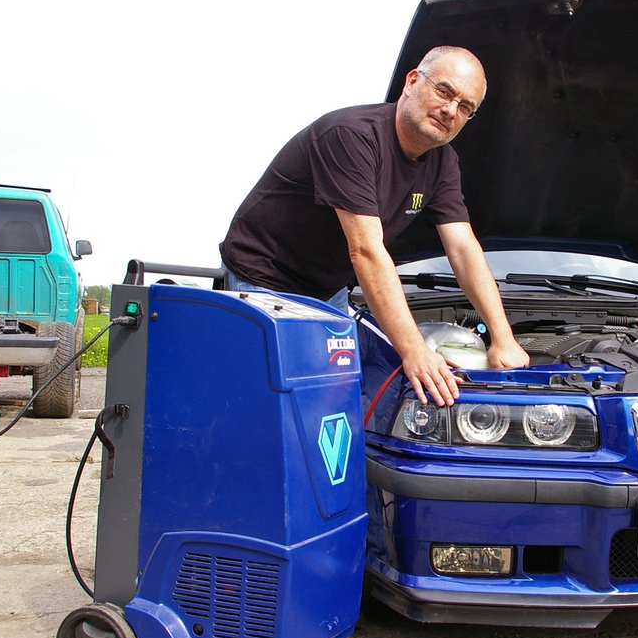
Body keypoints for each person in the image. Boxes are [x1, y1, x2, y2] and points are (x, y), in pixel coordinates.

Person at [219, 46, 529, 406]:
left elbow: (462, 247)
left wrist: (503, 336)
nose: (450, 110)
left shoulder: (442, 161)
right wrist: (415, 351)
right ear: (413, 81)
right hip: (264, 278)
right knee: (278, 401)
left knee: (336, 397)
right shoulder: (351, 136)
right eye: (444, 92)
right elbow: (365, 250)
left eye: (465, 107)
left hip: (326, 286)